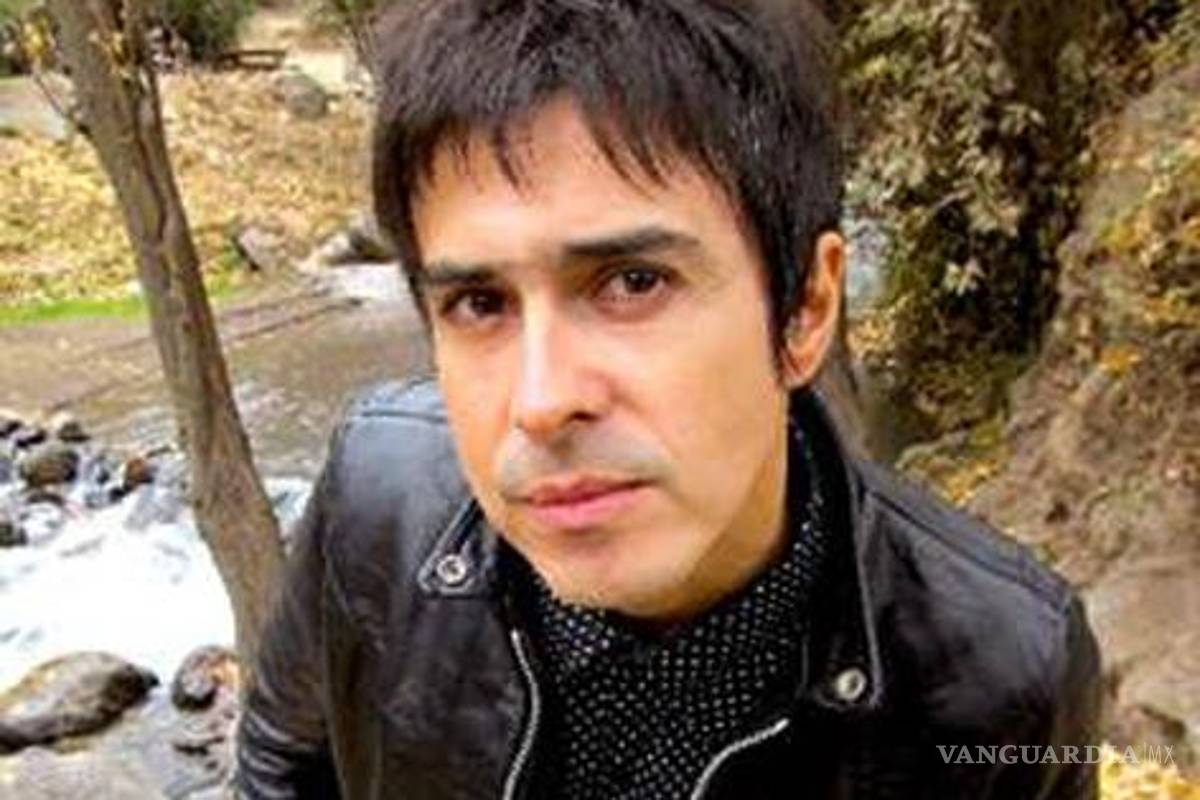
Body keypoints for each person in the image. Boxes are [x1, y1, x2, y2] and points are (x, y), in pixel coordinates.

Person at [235, 1, 1103, 797]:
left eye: (633, 282)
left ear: (806, 309)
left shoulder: (1003, 672)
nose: (542, 401)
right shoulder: (375, 501)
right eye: (480, 303)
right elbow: (280, 767)